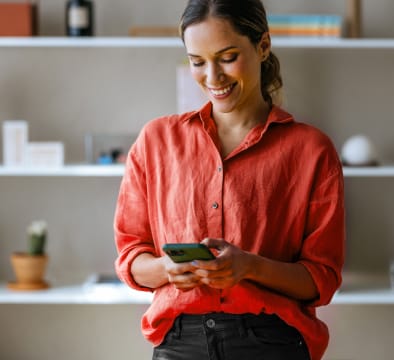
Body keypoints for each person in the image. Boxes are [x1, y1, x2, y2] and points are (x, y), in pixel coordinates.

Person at [113, 1, 345, 359]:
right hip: (179, 345)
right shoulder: (156, 141)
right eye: (198, 61)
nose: (212, 77)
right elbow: (131, 257)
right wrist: (165, 268)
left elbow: (322, 279)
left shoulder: (311, 150)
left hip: (271, 343)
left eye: (227, 57)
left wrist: (249, 266)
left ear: (263, 46)